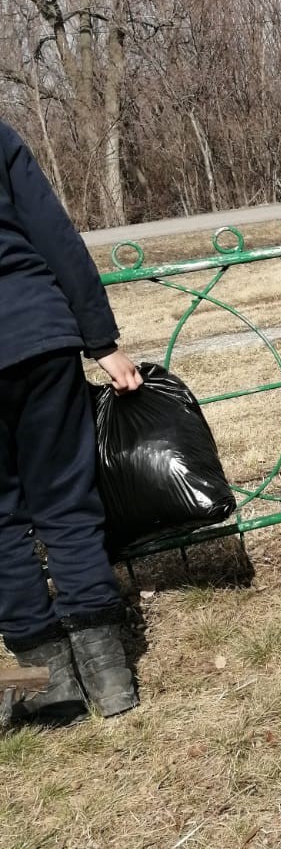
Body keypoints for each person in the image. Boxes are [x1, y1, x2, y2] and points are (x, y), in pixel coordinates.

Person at [0, 121, 141, 725]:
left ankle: (47, 693)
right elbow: (55, 235)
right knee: (65, 501)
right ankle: (111, 681)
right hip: (37, 333)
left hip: (34, 331)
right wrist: (100, 339)